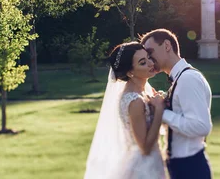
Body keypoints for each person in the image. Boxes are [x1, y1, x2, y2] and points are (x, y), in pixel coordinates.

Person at [84, 42, 167, 179]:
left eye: (148, 58)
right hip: (143, 168)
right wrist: (159, 110)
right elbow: (144, 148)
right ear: (130, 72)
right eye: (142, 62)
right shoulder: (134, 101)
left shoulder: (143, 92)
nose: (151, 63)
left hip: (152, 162)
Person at [141, 29, 213, 179]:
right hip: (182, 165)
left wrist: (162, 112)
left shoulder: (188, 79)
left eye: (150, 52)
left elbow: (201, 126)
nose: (149, 59)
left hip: (190, 166)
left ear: (167, 45)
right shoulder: (179, 79)